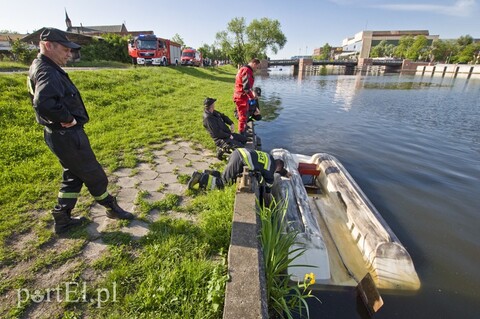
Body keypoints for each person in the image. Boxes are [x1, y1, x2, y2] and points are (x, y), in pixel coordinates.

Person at [27, 28, 134, 234]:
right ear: (49, 46)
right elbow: (43, 102)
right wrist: (67, 118)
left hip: (57, 135)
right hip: (67, 135)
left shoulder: (38, 65)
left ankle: (63, 217)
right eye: (65, 49)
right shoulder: (47, 70)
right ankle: (111, 208)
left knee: (73, 175)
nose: (69, 54)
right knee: (94, 175)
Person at [188, 148, 289, 204]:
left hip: (239, 152)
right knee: (224, 183)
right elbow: (269, 184)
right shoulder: (270, 169)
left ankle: (209, 173)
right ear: (277, 169)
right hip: (241, 160)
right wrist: (267, 195)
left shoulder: (269, 157)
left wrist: (285, 173)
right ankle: (200, 178)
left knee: (228, 176)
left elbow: (259, 164)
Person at [233, 58, 261, 135]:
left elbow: (246, 86)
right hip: (241, 97)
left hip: (241, 96)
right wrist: (252, 97)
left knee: (244, 115)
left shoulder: (244, 69)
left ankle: (243, 131)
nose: (256, 69)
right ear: (254, 63)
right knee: (242, 116)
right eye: (257, 66)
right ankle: (241, 134)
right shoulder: (246, 71)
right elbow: (246, 88)